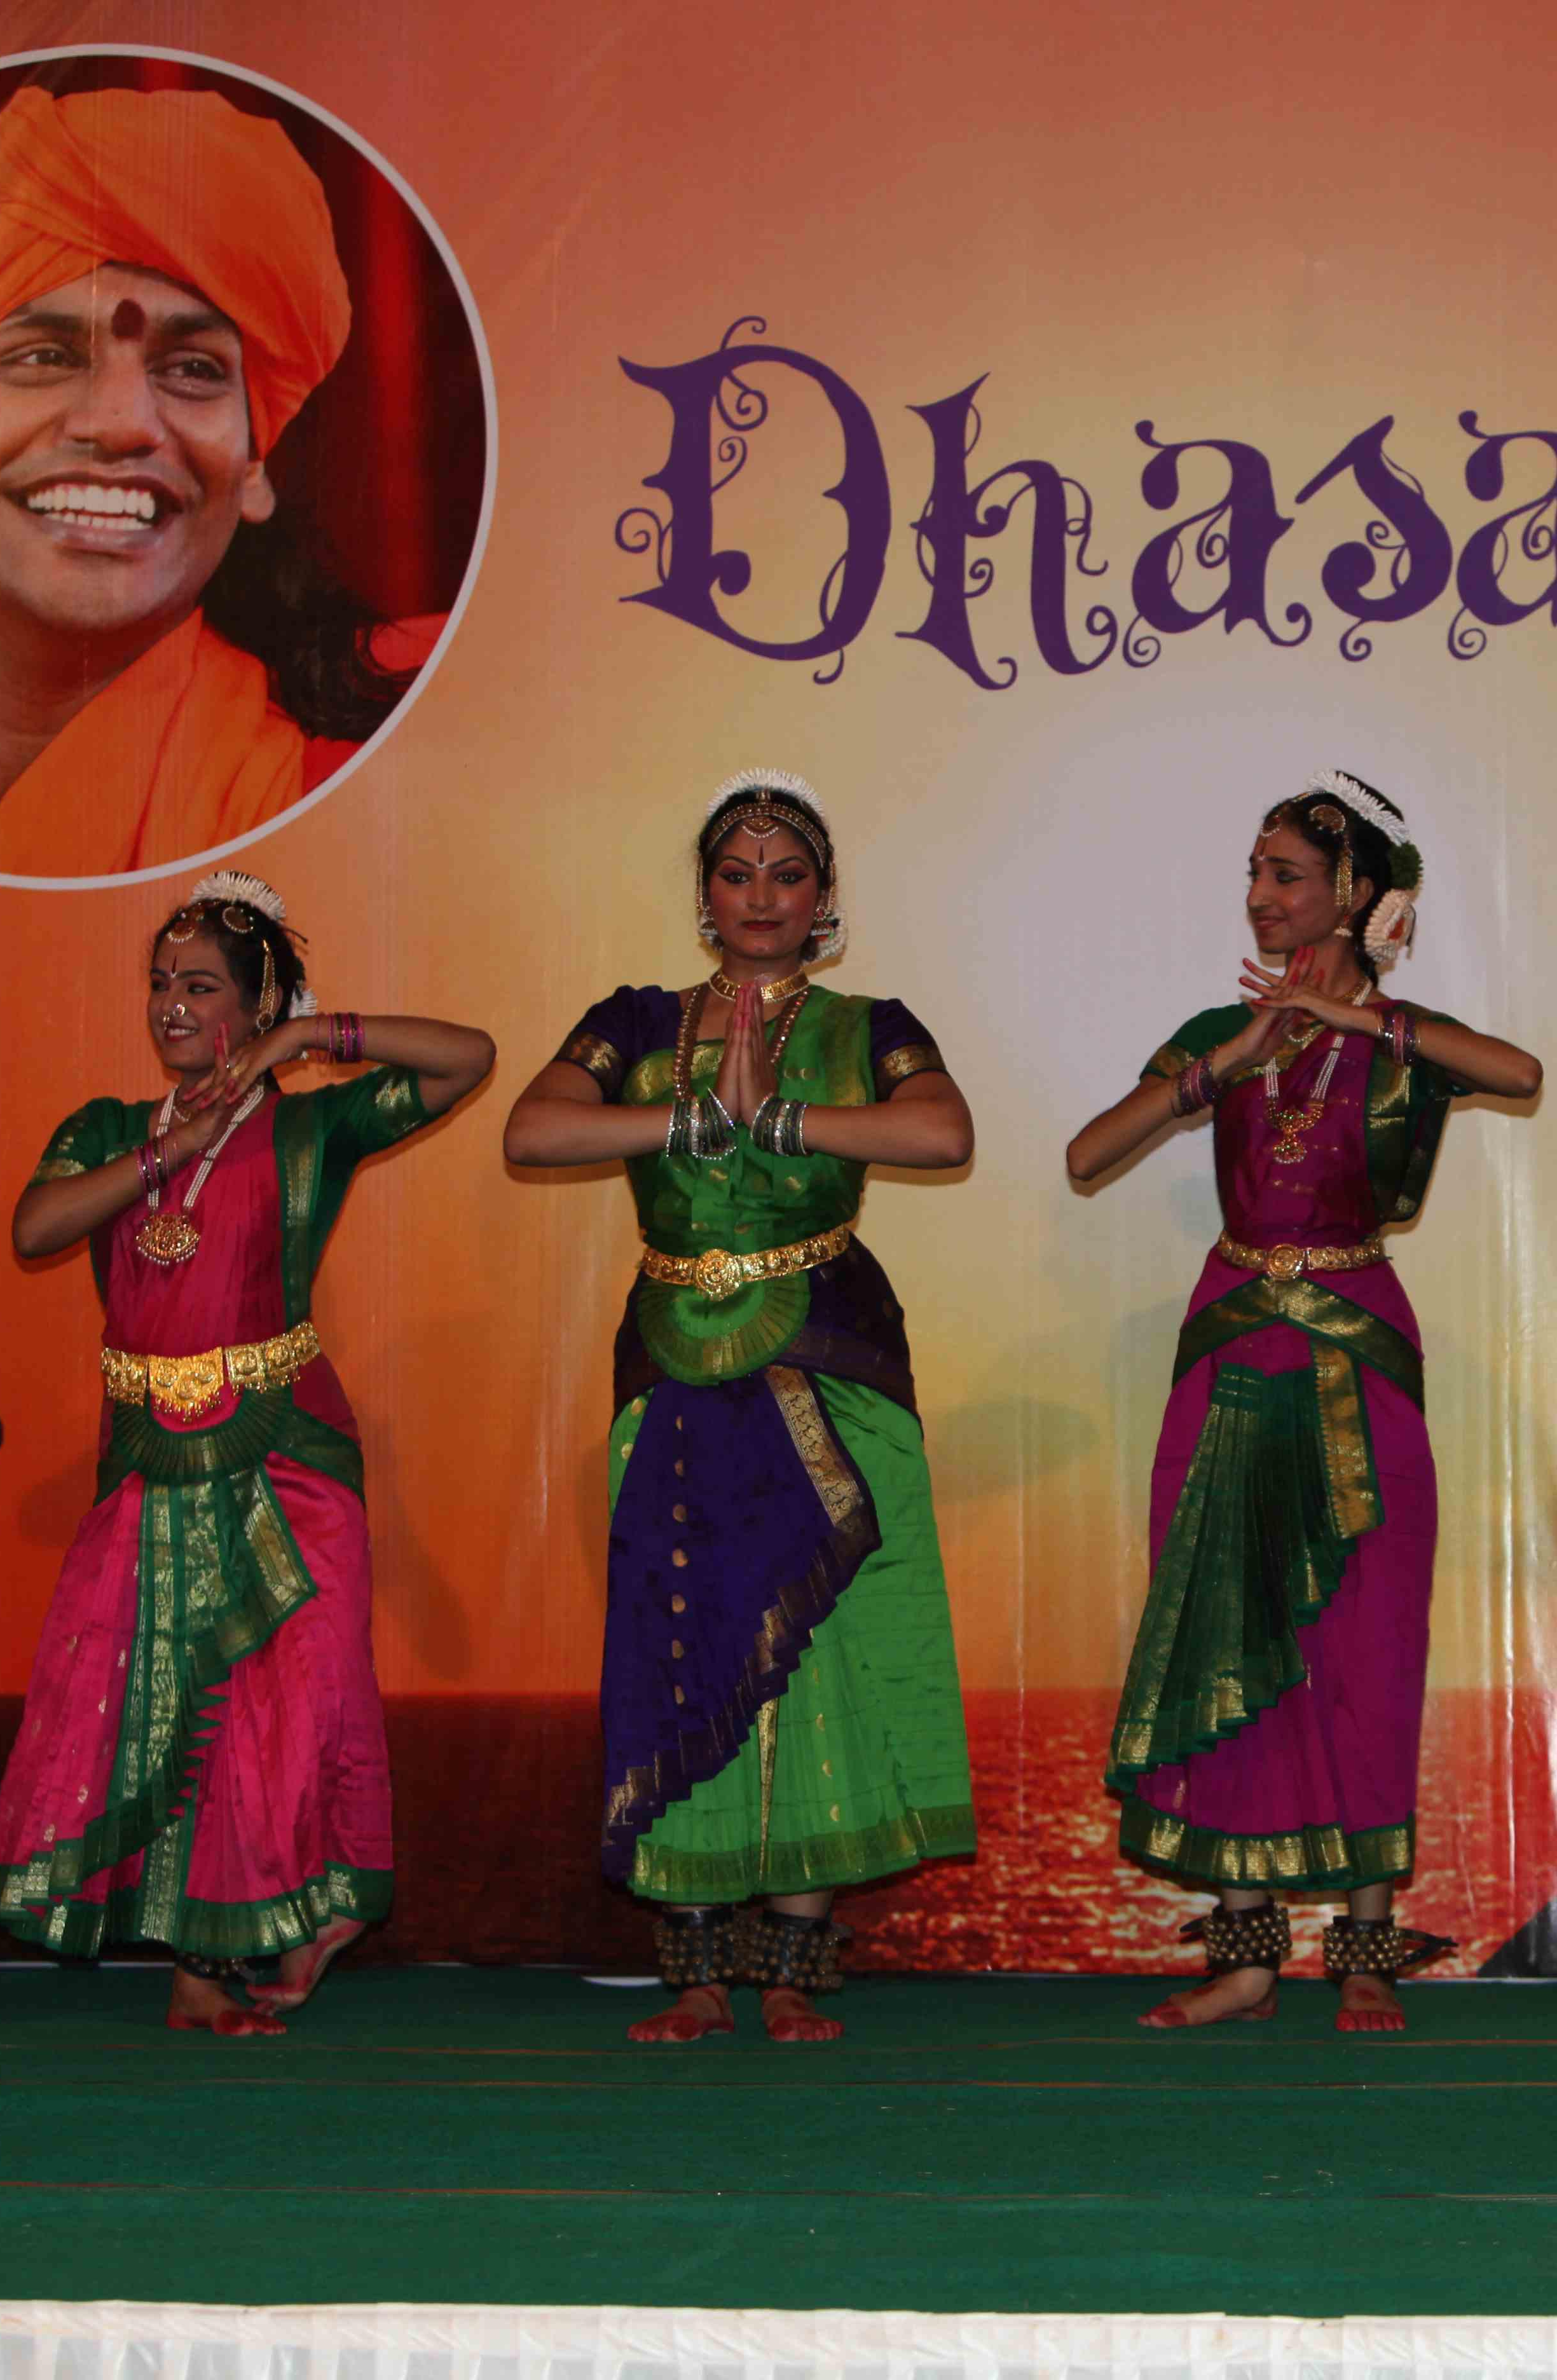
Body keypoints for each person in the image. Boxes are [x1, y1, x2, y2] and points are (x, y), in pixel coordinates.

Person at [504, 771, 978, 2044]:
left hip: (825, 1355)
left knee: (822, 1653)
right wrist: (696, 1115)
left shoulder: (871, 1023)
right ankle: (698, 1973)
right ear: (705, 893)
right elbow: (534, 1130)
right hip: (673, 1361)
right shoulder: (635, 1019)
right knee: (682, 1638)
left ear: (824, 896)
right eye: (736, 871)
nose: (761, 895)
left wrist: (782, 1117)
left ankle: (792, 1970)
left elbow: (942, 1133)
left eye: (787, 873)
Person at [0, 871, 491, 2032]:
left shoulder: (312, 1126)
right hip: (149, 1460)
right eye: (160, 982)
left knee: (289, 1707)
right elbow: (35, 1226)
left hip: (288, 1457)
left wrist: (310, 1039)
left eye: (201, 986)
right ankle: (200, 1969)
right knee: (165, 1707)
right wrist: (173, 1150)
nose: (171, 1004)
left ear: (255, 1005)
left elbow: (470, 1057)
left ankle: (255, 1936)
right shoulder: (108, 1128)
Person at [1066, 773, 1542, 2034]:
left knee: (1366, 1640)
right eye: (1256, 873)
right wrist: (1228, 1061)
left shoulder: (1402, 1038)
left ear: (1354, 893)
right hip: (1232, 1343)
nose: (1261, 896)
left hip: (1356, 1345)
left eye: (1285, 875)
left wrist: (1362, 1019)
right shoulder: (1218, 1031)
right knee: (1224, 1629)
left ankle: (1366, 1947)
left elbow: (1521, 1071)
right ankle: (1246, 1957)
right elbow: (1088, 1154)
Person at [0, 83, 436, 875]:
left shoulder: (383, 809)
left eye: (193, 369)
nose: (124, 422)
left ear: (251, 468)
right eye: (45, 357)